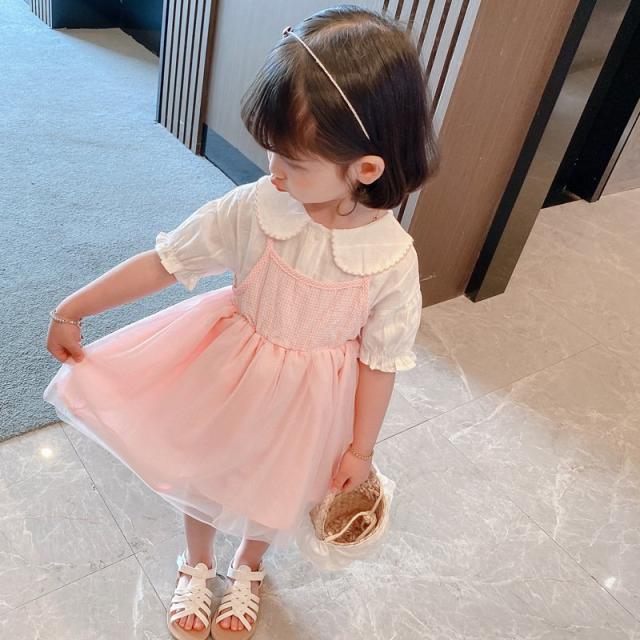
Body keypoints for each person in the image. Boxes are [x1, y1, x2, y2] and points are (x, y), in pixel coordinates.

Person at [43, 4, 439, 639]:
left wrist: (361, 449)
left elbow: (380, 361)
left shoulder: (391, 259)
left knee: (273, 486)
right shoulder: (256, 209)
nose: (273, 171)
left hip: (309, 403)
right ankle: (196, 562)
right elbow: (166, 261)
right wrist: (74, 306)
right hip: (229, 374)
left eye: (293, 161)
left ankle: (249, 565)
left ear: (365, 169)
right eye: (271, 152)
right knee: (205, 470)